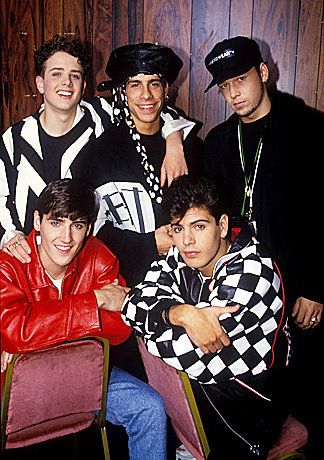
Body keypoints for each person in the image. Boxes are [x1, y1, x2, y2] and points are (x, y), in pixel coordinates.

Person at [202, 36, 323, 458]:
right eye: (223, 86)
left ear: (264, 73)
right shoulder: (217, 142)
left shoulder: (309, 130)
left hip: (298, 291)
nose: (233, 93)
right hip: (247, 294)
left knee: (309, 399)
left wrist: (316, 288)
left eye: (240, 80)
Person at [122, 175, 291, 460]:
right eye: (178, 229)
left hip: (252, 406)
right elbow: (134, 304)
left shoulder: (253, 273)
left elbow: (193, 358)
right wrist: (182, 314)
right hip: (207, 394)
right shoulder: (181, 254)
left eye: (199, 226)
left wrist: (149, 320)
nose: (187, 240)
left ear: (222, 225)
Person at [0, 178, 167, 460]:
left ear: (88, 228)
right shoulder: (9, 264)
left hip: (85, 375)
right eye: (56, 223)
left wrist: (32, 336)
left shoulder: (99, 257)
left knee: (149, 408)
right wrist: (94, 301)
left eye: (76, 225)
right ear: (37, 221)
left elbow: (119, 329)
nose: (66, 238)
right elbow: (16, 330)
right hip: (21, 385)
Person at [0, 34, 194, 257]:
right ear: (40, 83)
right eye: (56, 74)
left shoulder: (103, 114)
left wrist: (174, 141)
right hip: (29, 260)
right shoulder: (13, 139)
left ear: (83, 86)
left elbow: (149, 108)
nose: (66, 83)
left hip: (86, 257)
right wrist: (9, 235)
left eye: (74, 75)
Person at [74, 42, 204, 286]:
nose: (146, 95)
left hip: (191, 280)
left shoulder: (191, 149)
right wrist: (150, 244)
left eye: (154, 83)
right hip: (125, 283)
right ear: (122, 91)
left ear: (166, 89)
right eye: (135, 84)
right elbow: (91, 230)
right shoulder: (96, 154)